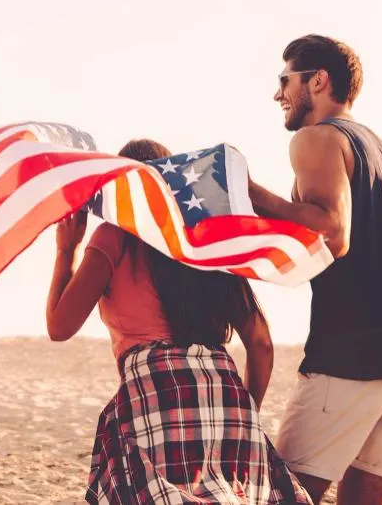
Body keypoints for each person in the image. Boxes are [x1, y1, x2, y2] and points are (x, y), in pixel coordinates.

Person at [47, 139, 311, 505]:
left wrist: (66, 251)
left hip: (156, 390)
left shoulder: (114, 236)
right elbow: (261, 342)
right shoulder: (206, 236)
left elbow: (60, 327)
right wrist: (244, 413)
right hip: (225, 391)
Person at [247, 34, 382, 505]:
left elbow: (334, 232)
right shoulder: (381, 150)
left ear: (318, 80)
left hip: (356, 350)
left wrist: (245, 190)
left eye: (284, 80)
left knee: (285, 494)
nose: (278, 95)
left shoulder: (317, 138)